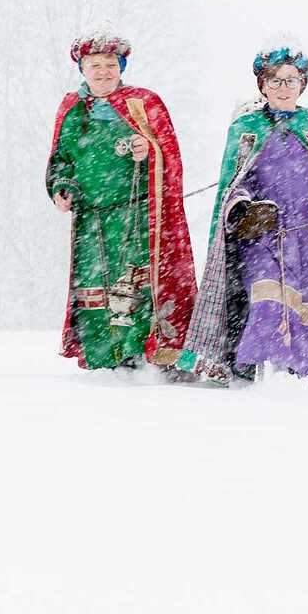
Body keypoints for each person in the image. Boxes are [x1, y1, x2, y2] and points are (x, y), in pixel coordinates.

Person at [178, 41, 308, 383]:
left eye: (291, 80)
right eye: (275, 80)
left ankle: (302, 380)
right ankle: (258, 375)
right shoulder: (246, 129)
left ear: (303, 84)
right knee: (266, 302)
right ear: (263, 85)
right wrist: (241, 207)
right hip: (262, 238)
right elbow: (236, 182)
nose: (283, 88)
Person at [45, 27, 197, 370]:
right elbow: (61, 159)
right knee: (94, 285)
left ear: (121, 67)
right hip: (90, 218)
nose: (103, 72)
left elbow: (168, 154)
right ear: (83, 68)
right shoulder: (72, 109)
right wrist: (62, 187)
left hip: (135, 213)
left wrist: (149, 150)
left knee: (133, 281)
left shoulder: (143, 103)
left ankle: (139, 353)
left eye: (111, 64)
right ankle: (103, 357)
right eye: (95, 65)